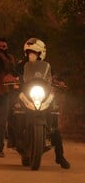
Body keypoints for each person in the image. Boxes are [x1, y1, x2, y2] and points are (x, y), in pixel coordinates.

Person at [11, 38, 70, 169]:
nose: (30, 54)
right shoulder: (22, 64)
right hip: (26, 95)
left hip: (43, 95)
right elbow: (12, 73)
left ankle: (60, 156)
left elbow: (54, 77)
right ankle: (13, 138)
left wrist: (59, 82)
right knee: (13, 108)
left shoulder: (47, 66)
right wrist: (11, 79)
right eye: (28, 52)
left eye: (33, 52)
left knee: (54, 125)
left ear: (41, 53)